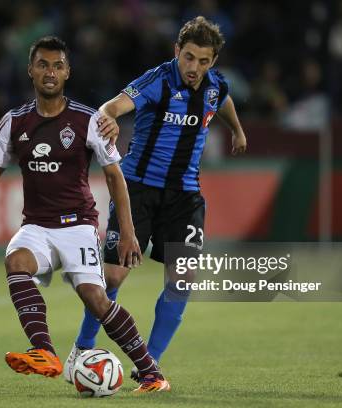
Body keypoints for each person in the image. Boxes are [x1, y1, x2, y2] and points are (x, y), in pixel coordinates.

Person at [0, 36, 170, 393]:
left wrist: (127, 232)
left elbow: (114, 176)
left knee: (96, 297)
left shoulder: (89, 120)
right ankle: (44, 351)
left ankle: (151, 373)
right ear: (30, 70)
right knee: (16, 262)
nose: (50, 72)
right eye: (43, 64)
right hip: (36, 227)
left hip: (77, 226)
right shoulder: (13, 122)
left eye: (57, 66)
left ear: (67, 72)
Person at [64, 16, 247, 382]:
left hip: (185, 196)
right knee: (114, 275)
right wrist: (109, 120)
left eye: (204, 61)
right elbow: (109, 107)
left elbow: (223, 101)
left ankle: (148, 365)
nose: (194, 68)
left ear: (213, 62)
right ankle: (82, 349)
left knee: (181, 280)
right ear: (177, 51)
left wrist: (237, 131)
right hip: (138, 190)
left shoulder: (215, 86)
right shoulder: (157, 80)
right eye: (189, 58)